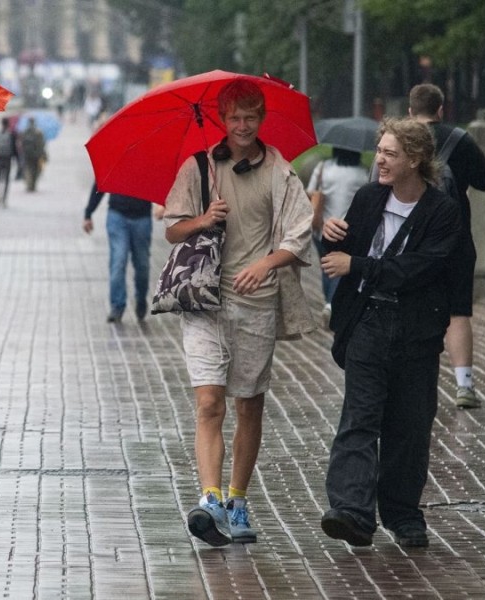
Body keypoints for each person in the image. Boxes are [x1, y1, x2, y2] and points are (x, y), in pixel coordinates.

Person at [164, 78, 315, 547]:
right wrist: (204, 219)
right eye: (235, 118)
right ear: (222, 120)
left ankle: (237, 498)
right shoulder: (199, 167)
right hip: (205, 300)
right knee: (209, 402)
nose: (243, 126)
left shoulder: (280, 171)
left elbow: (298, 232)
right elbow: (172, 229)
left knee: (249, 403)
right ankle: (209, 499)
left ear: (262, 119)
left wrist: (266, 263)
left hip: (257, 302)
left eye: (251, 117)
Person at [320, 117, 461, 548]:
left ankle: (403, 514)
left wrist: (356, 265)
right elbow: (341, 255)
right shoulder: (367, 198)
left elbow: (420, 268)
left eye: (389, 153)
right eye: (379, 151)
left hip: (416, 330)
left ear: (415, 159)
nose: (379, 159)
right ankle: (352, 512)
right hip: (368, 322)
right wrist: (330, 237)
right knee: (359, 418)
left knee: (409, 424)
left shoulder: (442, 211)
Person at [408, 83, 485, 409]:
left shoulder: (400, 142)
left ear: (410, 111)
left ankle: (416, 384)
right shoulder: (459, 139)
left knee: (414, 308)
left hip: (413, 241)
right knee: (458, 312)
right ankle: (464, 386)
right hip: (456, 239)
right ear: (441, 110)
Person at [306, 147, 368, 326]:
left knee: (326, 267)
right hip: (347, 231)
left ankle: (330, 302)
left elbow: (310, 192)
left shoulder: (323, 168)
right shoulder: (362, 173)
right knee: (340, 268)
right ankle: (331, 304)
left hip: (321, 228)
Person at [83, 184, 159, 322]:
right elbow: (100, 183)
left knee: (143, 265)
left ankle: (141, 298)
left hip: (142, 218)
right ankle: (117, 305)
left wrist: (164, 205)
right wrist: (88, 213)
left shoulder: (150, 163)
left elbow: (162, 183)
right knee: (118, 260)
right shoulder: (115, 162)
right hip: (117, 216)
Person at [0, 116, 19, 206]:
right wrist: (17, 159)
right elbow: (14, 149)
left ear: (1, 123)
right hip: (8, 158)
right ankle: (4, 198)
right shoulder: (11, 135)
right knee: (6, 179)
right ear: (8, 124)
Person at [20, 117, 47, 192]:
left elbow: (22, 143)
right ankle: (33, 184)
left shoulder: (25, 132)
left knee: (28, 169)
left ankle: (29, 184)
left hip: (27, 154)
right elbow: (42, 144)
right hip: (37, 155)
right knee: (36, 170)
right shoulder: (38, 132)